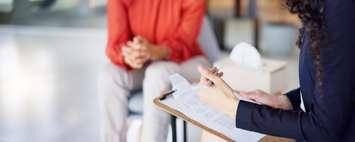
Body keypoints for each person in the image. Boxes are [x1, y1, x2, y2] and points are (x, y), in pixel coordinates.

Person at [197, 0, 355, 142]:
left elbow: (325, 130)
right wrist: (286, 101)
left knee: (217, 137)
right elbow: (338, 83)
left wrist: (233, 108)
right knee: (215, 134)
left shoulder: (340, 9)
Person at [98, 0, 209, 142]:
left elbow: (185, 43)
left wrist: (156, 51)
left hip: (187, 61)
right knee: (109, 75)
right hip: (142, 63)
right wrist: (128, 55)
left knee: (158, 72)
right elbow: (115, 44)